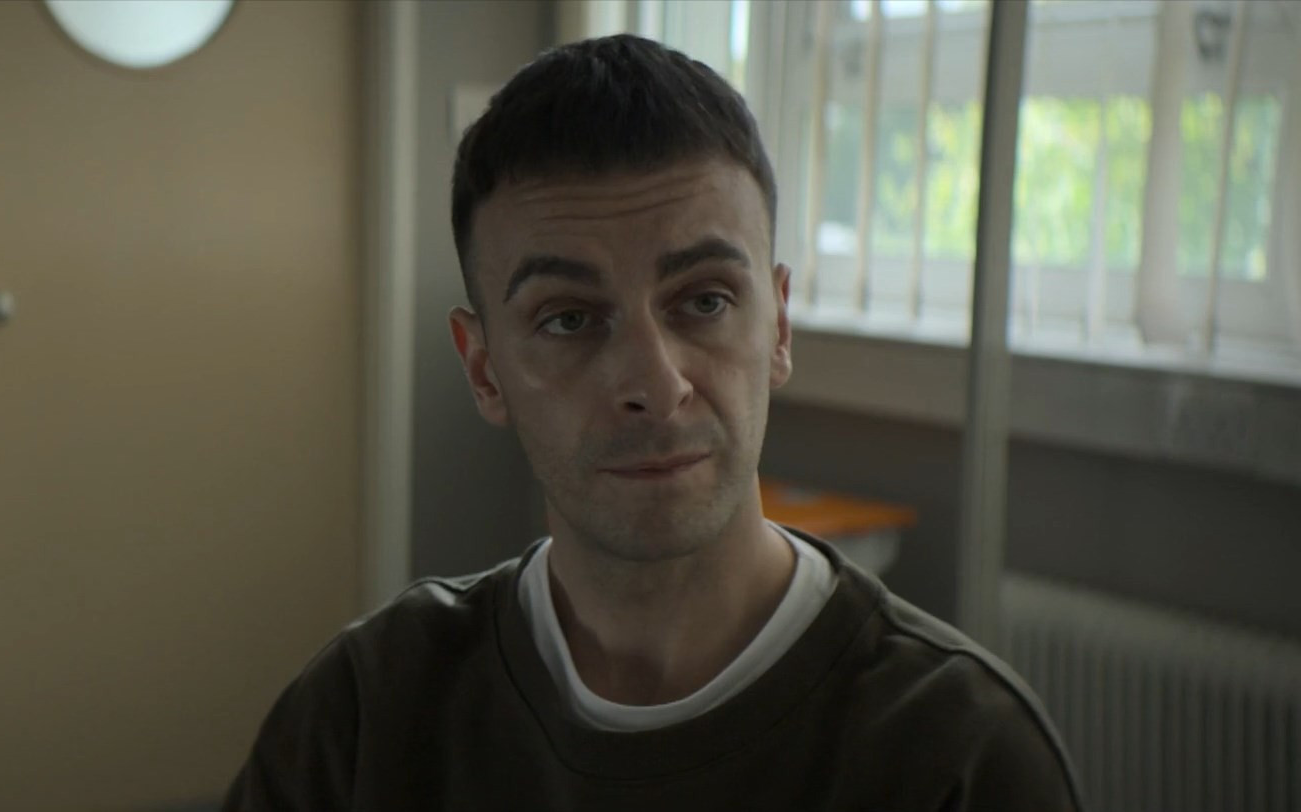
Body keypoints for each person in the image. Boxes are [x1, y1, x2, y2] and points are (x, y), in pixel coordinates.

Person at [224, 35, 1081, 810]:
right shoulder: (366, 716)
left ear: (778, 328)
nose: (654, 384)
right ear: (484, 369)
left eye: (704, 301)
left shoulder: (958, 754)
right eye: (568, 318)